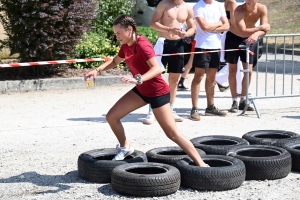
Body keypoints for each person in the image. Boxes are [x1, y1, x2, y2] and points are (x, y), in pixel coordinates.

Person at [84, 15, 209, 167]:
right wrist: (97, 70)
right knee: (112, 116)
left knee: (172, 134)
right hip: (142, 90)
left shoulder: (143, 45)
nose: (117, 37)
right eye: (115, 34)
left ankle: (201, 164)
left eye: (119, 33)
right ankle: (126, 147)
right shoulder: (126, 45)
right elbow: (116, 60)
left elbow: (157, 69)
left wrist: (138, 79)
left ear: (129, 30)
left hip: (158, 93)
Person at [144, 0, 196, 124]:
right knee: (155, 77)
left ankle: (170, 109)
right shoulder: (164, 4)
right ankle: (152, 110)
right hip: (163, 43)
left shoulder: (187, 8)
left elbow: (192, 27)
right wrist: (168, 29)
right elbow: (153, 23)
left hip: (178, 44)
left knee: (174, 79)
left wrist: (186, 33)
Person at [226, 0, 270, 113]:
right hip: (233, 37)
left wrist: (256, 34)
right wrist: (259, 29)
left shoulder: (262, 8)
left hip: (249, 39)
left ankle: (243, 100)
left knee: (249, 71)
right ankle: (234, 100)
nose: (248, 1)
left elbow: (265, 30)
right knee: (232, 70)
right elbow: (243, 32)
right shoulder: (239, 10)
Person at [190, 0, 229, 121]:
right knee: (199, 76)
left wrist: (212, 26)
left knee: (212, 77)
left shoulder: (219, 5)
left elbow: (227, 25)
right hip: (202, 45)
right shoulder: (198, 6)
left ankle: (210, 106)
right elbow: (204, 27)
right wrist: (218, 24)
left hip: (215, 46)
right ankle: (194, 108)